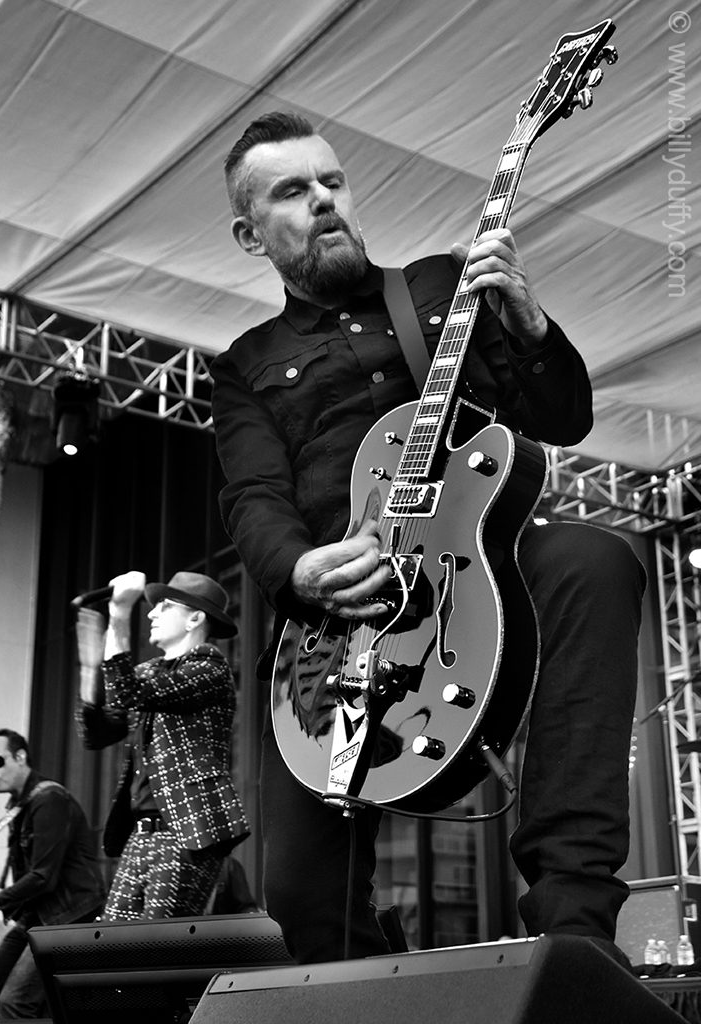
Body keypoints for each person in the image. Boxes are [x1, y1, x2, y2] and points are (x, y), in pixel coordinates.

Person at [210, 111, 647, 966]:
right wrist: (299, 569)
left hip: (471, 553)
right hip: (345, 617)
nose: (324, 201)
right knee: (301, 894)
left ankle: (574, 940)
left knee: (595, 560)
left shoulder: (437, 291)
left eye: (332, 181)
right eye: (293, 192)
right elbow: (253, 497)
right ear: (249, 234)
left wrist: (529, 328)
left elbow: (560, 419)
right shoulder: (245, 362)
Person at [76, 570, 250, 921]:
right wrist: (89, 675)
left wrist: (120, 615)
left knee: (155, 950)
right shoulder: (150, 671)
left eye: (164, 606)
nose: (152, 613)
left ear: (195, 618)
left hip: (186, 833)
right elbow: (96, 733)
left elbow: (127, 691)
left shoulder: (210, 667)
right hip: (139, 836)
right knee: (109, 951)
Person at [0, 729, 105, 1019]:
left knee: (14, 1003)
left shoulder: (50, 800)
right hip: (35, 917)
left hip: (65, 919)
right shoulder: (21, 806)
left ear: (20, 757)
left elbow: (43, 877)